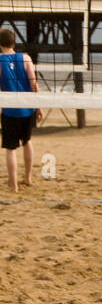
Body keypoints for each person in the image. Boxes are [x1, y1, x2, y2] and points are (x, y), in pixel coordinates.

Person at [0, 29, 42, 194]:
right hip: (27, 108)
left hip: (10, 110)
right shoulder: (25, 58)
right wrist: (38, 105)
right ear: (14, 42)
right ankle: (28, 177)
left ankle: (13, 186)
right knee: (27, 141)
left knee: (10, 149)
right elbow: (34, 84)